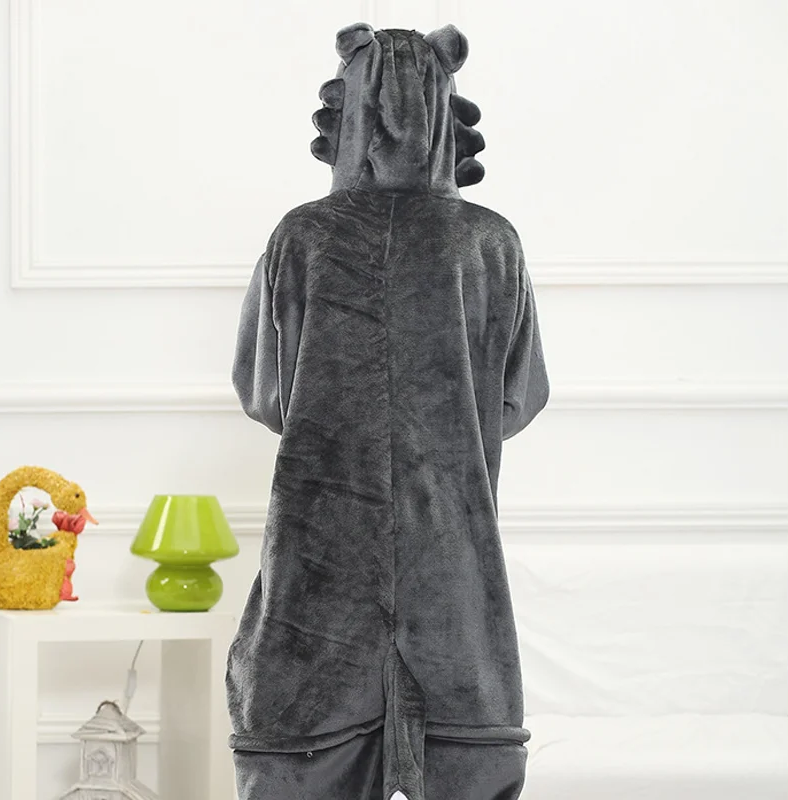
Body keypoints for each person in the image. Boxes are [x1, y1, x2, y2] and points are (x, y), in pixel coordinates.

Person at [226, 22, 550, 800]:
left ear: (347, 111)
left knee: (297, 736)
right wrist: (446, 425)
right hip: (454, 559)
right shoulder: (490, 243)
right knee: (468, 740)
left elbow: (265, 395)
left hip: (319, 563)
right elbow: (518, 398)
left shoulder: (301, 237)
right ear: (448, 109)